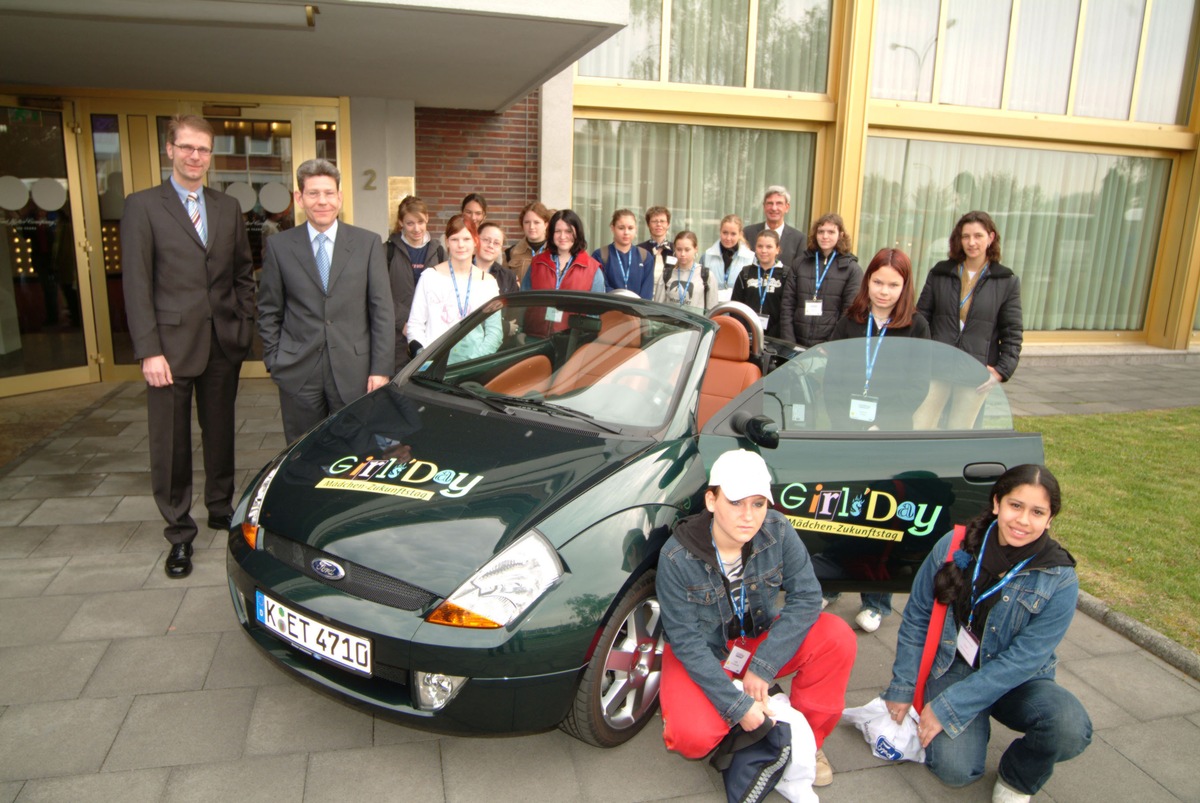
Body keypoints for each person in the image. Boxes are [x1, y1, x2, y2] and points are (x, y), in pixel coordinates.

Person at [883, 464, 1091, 803]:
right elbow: (918, 616)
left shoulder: (1061, 579)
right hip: (956, 665)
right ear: (997, 503)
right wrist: (903, 686)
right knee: (955, 772)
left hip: (1018, 680)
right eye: (1015, 506)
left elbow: (1024, 660)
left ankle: (1018, 777)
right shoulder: (954, 544)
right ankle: (972, 724)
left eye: (1037, 512)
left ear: (1050, 519)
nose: (1023, 520)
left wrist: (949, 707)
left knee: (1069, 728)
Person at [657, 449, 856, 788]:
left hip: (756, 638)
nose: (748, 516)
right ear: (711, 500)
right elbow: (686, 642)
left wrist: (763, 666)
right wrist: (737, 706)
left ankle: (807, 740)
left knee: (837, 636)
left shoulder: (778, 530)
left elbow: (807, 597)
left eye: (758, 503)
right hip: (706, 650)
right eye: (735, 502)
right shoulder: (676, 557)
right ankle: (740, 716)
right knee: (691, 738)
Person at [122, 114, 255, 579]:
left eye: (203, 149)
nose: (195, 156)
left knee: (220, 433)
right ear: (170, 150)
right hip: (169, 348)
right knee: (172, 444)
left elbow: (242, 272)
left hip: (222, 341)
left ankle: (220, 506)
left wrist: (243, 323)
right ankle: (179, 533)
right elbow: (136, 285)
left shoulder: (227, 206)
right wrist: (148, 350)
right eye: (187, 148)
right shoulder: (142, 206)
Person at [824, 248, 930, 628]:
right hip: (847, 432)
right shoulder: (850, 321)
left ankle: (876, 601)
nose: (884, 291)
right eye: (878, 282)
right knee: (840, 511)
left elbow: (917, 387)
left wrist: (880, 423)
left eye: (893, 284)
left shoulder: (916, 327)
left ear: (905, 286)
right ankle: (832, 583)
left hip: (890, 435)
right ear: (867, 280)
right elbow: (830, 379)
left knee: (880, 517)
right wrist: (847, 423)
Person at [258, 158, 394, 445]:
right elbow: (269, 310)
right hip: (298, 372)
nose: (322, 201)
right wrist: (275, 361)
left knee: (356, 452)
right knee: (300, 453)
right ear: (299, 198)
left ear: (340, 197)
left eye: (329, 193)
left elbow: (381, 310)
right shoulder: (280, 246)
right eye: (313, 193)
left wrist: (381, 369)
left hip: (355, 373)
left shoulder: (368, 243)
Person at [914, 211, 1023, 430]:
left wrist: (1001, 371)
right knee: (921, 424)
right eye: (966, 236)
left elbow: (1012, 332)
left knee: (960, 430)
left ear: (990, 238)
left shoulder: (1006, 280)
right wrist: (918, 359)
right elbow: (921, 318)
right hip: (937, 365)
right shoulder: (940, 273)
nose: (971, 242)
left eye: (978, 236)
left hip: (975, 370)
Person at [407, 215, 502, 362]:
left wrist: (473, 362)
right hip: (433, 364)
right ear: (447, 243)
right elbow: (415, 325)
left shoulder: (488, 283)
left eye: (466, 239)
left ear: (475, 241)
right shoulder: (430, 277)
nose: (461, 245)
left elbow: (494, 332)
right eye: (454, 239)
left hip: (473, 366)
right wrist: (425, 359)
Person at [780, 213, 863, 347]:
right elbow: (787, 306)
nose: (825, 236)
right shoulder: (799, 263)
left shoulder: (852, 269)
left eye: (831, 232)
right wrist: (789, 343)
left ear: (841, 235)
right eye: (821, 232)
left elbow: (849, 313)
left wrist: (829, 346)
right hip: (795, 346)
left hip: (828, 349)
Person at [387, 195, 445, 373]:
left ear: (427, 218)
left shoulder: (439, 252)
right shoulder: (387, 251)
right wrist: (403, 322)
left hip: (431, 334)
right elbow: (381, 294)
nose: (416, 228)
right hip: (397, 336)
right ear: (401, 223)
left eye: (420, 221)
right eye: (410, 223)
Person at [520, 208, 605, 293]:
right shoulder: (536, 264)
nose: (562, 236)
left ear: (578, 233)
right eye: (558, 231)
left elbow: (598, 305)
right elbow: (524, 300)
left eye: (568, 231)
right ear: (551, 234)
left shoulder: (593, 269)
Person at [730, 229, 790, 338]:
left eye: (769, 247)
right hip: (747, 334)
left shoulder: (786, 274)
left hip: (776, 337)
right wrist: (743, 331)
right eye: (760, 246)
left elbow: (788, 309)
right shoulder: (745, 273)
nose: (763, 250)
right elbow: (736, 306)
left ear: (777, 249)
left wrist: (776, 333)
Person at [594, 209, 655, 298]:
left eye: (630, 228)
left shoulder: (645, 256)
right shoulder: (600, 255)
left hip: (637, 310)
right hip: (609, 309)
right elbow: (601, 287)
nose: (626, 232)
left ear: (635, 229)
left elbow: (647, 292)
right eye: (621, 228)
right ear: (612, 228)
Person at [700, 214, 755, 303]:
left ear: (740, 234)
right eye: (725, 233)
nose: (728, 238)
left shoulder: (750, 258)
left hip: (738, 310)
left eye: (733, 234)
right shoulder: (707, 256)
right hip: (712, 310)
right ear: (720, 231)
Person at [743, 186, 805, 266]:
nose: (774, 208)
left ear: (787, 207)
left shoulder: (799, 239)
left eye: (779, 203)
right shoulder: (748, 233)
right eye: (770, 203)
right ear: (764, 206)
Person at [655, 230, 717, 310]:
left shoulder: (706, 275)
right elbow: (658, 308)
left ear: (695, 249)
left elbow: (712, 310)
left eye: (687, 250)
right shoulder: (666, 275)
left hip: (695, 322)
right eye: (679, 249)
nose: (683, 254)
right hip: (671, 322)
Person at [505, 201, 551, 283]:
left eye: (536, 222)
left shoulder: (555, 252)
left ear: (546, 225)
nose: (531, 227)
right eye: (527, 222)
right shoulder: (511, 253)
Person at [476, 221, 519, 294]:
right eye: (486, 240)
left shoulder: (508, 277)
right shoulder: (460, 270)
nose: (491, 245)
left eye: (496, 243)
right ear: (476, 240)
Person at [638, 205, 674, 280]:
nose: (659, 224)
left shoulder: (676, 250)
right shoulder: (639, 250)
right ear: (648, 225)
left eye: (662, 221)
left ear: (668, 225)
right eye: (654, 221)